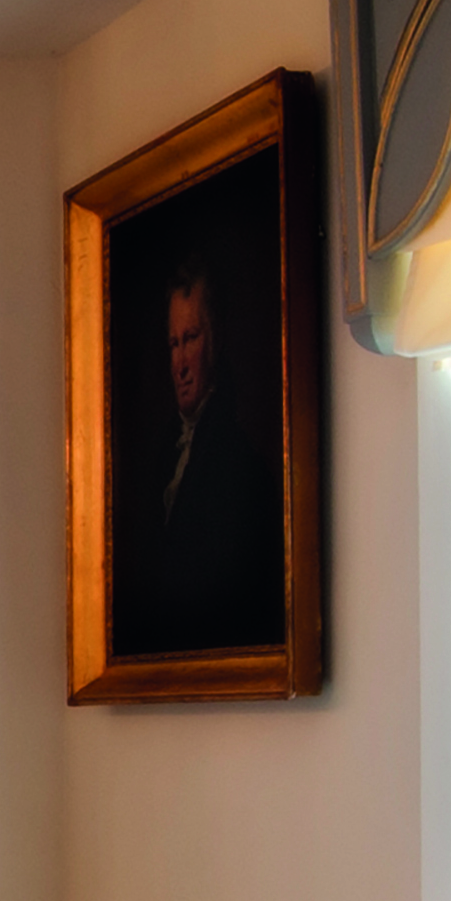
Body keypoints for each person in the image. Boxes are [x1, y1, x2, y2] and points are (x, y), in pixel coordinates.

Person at [127, 251, 283, 655]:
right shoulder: (161, 456)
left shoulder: (241, 467)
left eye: (191, 338)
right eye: (173, 343)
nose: (180, 362)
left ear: (216, 338)